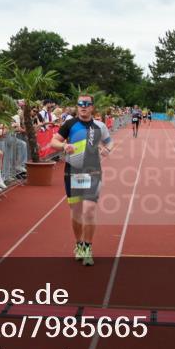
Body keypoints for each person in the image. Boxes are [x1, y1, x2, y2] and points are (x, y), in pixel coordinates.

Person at [50, 94, 113, 267]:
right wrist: (64, 146)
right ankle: (79, 244)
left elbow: (109, 142)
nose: (83, 107)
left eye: (86, 104)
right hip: (75, 172)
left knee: (90, 210)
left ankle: (87, 248)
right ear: (77, 107)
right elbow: (53, 141)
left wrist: (107, 149)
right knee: (77, 211)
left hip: (92, 172)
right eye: (80, 104)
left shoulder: (100, 125)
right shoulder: (69, 124)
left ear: (92, 107)